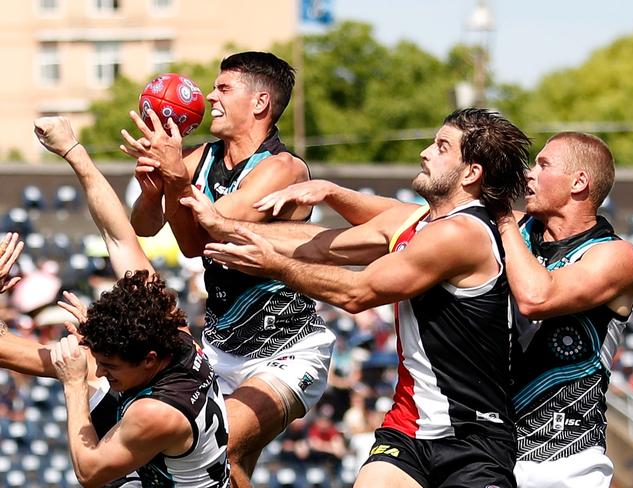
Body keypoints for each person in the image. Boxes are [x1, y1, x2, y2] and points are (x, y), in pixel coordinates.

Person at [180, 108, 531, 488]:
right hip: (408, 430)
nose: (425, 152)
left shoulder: (462, 233)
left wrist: (273, 264)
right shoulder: (419, 222)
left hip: (472, 436)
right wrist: (225, 226)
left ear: (471, 173)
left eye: (442, 146)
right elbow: (319, 247)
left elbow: (355, 292)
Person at [120, 51, 335, 487]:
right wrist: (151, 189)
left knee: (219, 445)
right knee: (226, 466)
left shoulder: (282, 168)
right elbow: (145, 226)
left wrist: (176, 179)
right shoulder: (201, 158)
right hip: (219, 348)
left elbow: (204, 240)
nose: (209, 97)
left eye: (223, 88)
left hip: (285, 350)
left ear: (259, 103)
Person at [30, 116, 230, 487]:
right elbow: (119, 237)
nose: (105, 372)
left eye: (112, 365)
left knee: (80, 376)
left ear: (150, 359)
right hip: (171, 465)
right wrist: (74, 151)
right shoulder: (172, 330)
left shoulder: (156, 412)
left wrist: (73, 386)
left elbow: (88, 473)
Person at [497, 132, 633, 488]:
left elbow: (536, 299)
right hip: (491, 450)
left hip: (565, 461)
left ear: (579, 182)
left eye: (543, 164)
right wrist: (335, 193)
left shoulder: (615, 256)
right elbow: (416, 217)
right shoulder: (517, 229)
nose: (529, 173)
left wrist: (499, 217)